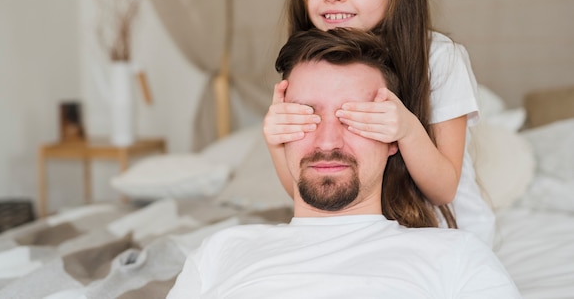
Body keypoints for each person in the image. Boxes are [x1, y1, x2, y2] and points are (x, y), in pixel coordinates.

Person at [167, 29, 519, 298]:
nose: (328, 141)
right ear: (280, 129)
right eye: (307, 114)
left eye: (355, 117)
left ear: (394, 137)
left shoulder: (455, 255)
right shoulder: (220, 250)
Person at [263, 0, 495, 244]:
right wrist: (275, 141)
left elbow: (443, 189)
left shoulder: (439, 57)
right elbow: (304, 190)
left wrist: (406, 129)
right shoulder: (310, 61)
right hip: (359, 233)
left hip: (442, 233)